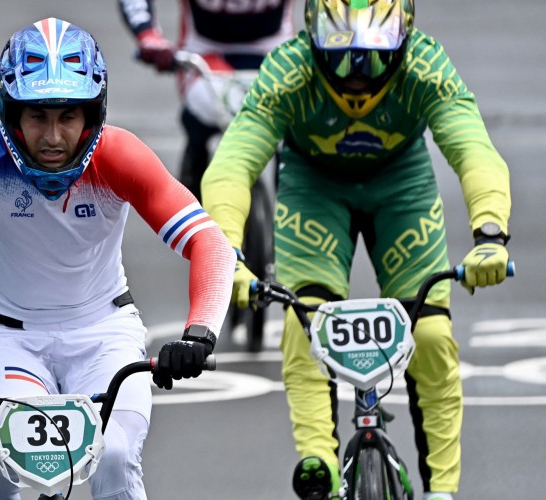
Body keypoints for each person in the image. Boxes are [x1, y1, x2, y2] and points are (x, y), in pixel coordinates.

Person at [0, 17, 234, 500]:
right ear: (10, 115)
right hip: (7, 337)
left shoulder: (119, 155)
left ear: (92, 116)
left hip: (104, 332)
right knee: (9, 460)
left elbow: (210, 243)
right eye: (37, 116)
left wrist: (199, 334)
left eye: (68, 116)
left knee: (113, 457)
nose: (53, 136)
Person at [200, 1, 511, 499]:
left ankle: (444, 491)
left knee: (430, 336)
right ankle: (318, 459)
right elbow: (231, 166)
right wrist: (227, 258)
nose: (357, 78)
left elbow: (474, 149)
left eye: (373, 58)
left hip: (401, 189)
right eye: (342, 58)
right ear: (313, 42)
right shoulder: (289, 69)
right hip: (314, 189)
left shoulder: (426, 66)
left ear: (403, 43)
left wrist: (490, 235)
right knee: (307, 320)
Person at [118, 0, 297, 200]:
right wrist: (148, 36)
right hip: (205, 53)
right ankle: (189, 208)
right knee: (199, 114)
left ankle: (294, 213)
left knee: (292, 135)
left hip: (274, 51)